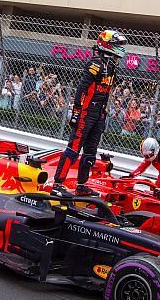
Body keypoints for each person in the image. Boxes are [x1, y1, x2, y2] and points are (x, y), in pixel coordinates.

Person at [51, 30, 127, 198]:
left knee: (91, 152)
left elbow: (106, 92)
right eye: (117, 45)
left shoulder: (112, 66)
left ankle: (81, 186)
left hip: (100, 113)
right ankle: (57, 185)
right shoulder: (95, 64)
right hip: (86, 112)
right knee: (73, 148)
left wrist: (104, 112)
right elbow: (81, 89)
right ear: (106, 44)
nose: (120, 48)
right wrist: (77, 112)